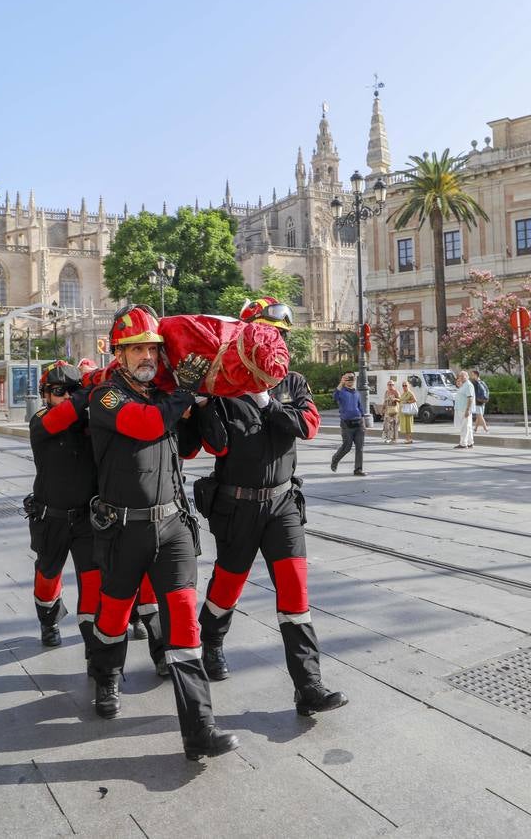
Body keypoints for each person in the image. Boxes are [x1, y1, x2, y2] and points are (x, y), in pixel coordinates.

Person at [87, 303, 238, 761]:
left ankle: (200, 730)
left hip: (173, 526)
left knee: (185, 625)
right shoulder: (107, 398)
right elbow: (147, 425)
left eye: (152, 347)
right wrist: (184, 396)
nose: (146, 355)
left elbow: (199, 447)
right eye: (136, 349)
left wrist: (206, 403)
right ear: (119, 353)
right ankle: (107, 678)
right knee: (113, 618)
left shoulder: (165, 397)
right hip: (123, 530)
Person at [187, 297, 348, 719]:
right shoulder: (221, 388)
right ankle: (212, 643)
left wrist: (265, 400)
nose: (275, 341)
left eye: (279, 335)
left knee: (295, 594)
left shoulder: (292, 382)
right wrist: (203, 403)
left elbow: (307, 426)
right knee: (227, 587)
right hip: (237, 506)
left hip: (282, 505)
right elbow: (213, 446)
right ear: (246, 338)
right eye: (267, 333)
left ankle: (308, 687)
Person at [26, 361, 100, 659]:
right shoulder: (41, 421)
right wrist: (88, 388)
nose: (67, 397)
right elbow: (65, 415)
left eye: (72, 390)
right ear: (46, 395)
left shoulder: (90, 421)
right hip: (51, 518)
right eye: (59, 391)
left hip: (86, 520)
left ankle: (95, 648)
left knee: (93, 583)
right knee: (47, 576)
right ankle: (48, 619)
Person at [331, 371, 366, 475]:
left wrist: (363, 422)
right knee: (347, 447)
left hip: (359, 423)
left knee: (359, 448)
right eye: (348, 378)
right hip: (346, 424)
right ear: (344, 380)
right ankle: (335, 459)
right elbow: (334, 396)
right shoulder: (341, 392)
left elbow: (360, 407)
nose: (350, 380)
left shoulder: (357, 393)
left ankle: (358, 469)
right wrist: (341, 383)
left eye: (352, 378)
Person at [454, 370, 475, 449]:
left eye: (463, 376)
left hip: (464, 409)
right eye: (460, 376)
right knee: (468, 426)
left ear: (467, 376)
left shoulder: (468, 385)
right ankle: (470, 442)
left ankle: (463, 443)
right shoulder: (464, 385)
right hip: (461, 409)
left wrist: (468, 409)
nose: (461, 377)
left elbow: (470, 398)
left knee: (464, 427)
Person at [470, 368, 489, 433]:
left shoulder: (474, 383)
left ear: (476, 375)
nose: (471, 376)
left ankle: (486, 429)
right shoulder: (482, 382)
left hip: (477, 401)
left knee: (480, 416)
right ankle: (475, 429)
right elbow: (487, 390)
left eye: (472, 374)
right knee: (479, 416)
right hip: (483, 401)